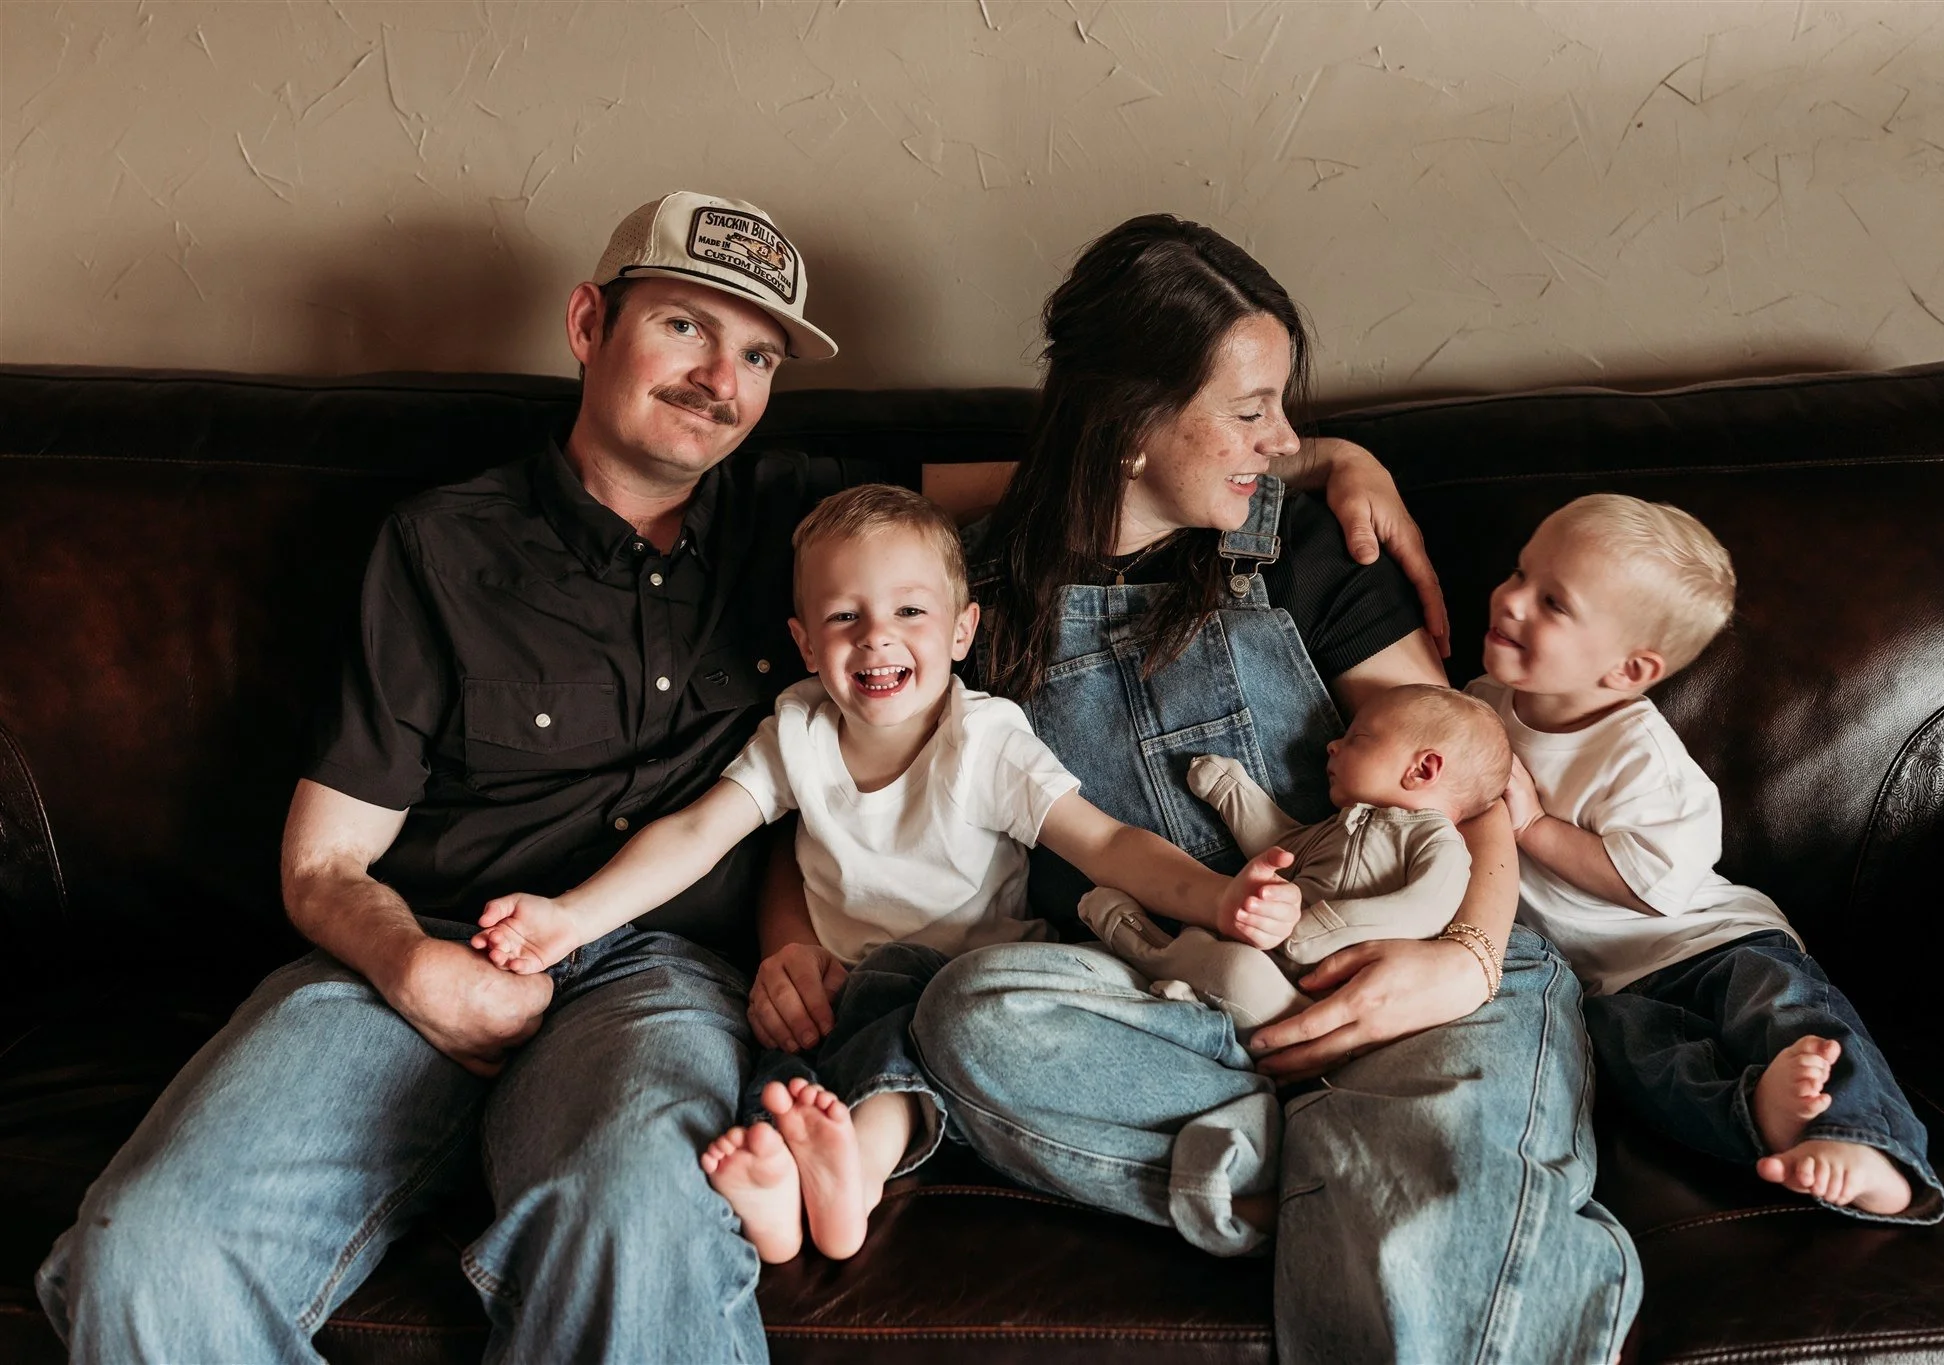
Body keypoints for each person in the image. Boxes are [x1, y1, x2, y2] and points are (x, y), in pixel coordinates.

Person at [34, 190, 1425, 1363]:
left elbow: (1093, 465)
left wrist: (1311, 455)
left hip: (652, 982)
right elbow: (323, 864)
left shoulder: (806, 522)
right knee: (142, 1253)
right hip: (412, 957)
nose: (718, 378)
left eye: (756, 355)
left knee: (639, 1216)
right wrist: (418, 969)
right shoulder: (440, 545)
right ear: (589, 326)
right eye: (683, 325)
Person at [911, 214, 1642, 1364]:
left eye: (1284, 408)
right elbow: (792, 492)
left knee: (1426, 1204)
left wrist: (1465, 958)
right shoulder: (954, 587)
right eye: (1251, 411)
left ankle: (1329, 1173)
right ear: (1128, 422)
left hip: (1408, 962)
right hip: (1176, 1002)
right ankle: (1348, 1172)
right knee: (966, 1015)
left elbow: (1474, 780)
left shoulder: (1298, 546)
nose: (1286, 437)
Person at [472, 483, 1300, 1265]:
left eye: (910, 609)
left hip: (974, 995)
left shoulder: (983, 742)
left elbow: (1109, 843)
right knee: (798, 1077)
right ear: (803, 641)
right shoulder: (796, 729)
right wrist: (572, 918)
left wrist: (1222, 896)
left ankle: (844, 1182)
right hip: (853, 1014)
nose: (876, 635)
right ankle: (802, 1189)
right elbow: (695, 831)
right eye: (844, 615)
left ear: (961, 631)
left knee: (904, 1000)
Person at [1472, 492, 1944, 1222]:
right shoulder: (1484, 704)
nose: (1509, 602)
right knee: (1634, 1062)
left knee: (1792, 1015)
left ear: (1628, 670)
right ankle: (1757, 1113)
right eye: (1517, 573)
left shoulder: (1639, 755)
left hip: (1708, 943)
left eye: (1552, 602)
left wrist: (1535, 828)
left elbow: (1652, 882)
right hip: (1602, 984)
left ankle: (1869, 1143)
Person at [1078, 682, 1510, 1032]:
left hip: (1318, 998)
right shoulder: (1337, 825)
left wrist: (1328, 926)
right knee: (1229, 963)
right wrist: (1233, 792)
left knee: (1238, 973)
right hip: (1269, 950)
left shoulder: (1438, 842)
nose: (1332, 746)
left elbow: (1426, 907)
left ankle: (1136, 940)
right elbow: (1280, 847)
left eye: (1358, 737)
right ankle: (1197, 1011)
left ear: (1423, 770)